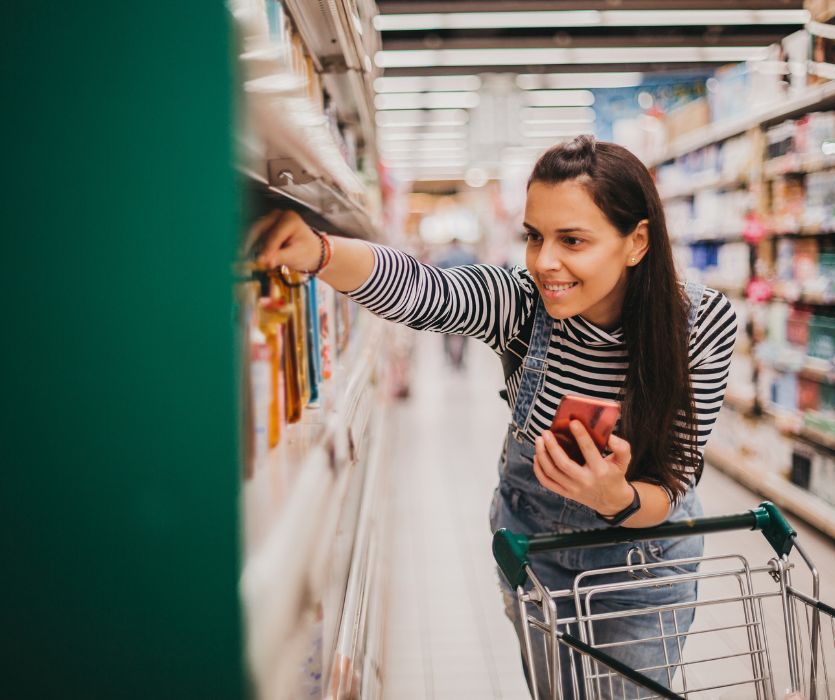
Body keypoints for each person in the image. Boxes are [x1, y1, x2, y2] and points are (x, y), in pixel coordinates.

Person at [250, 135, 737, 698]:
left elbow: (675, 475)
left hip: (642, 561)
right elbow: (421, 288)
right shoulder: (521, 302)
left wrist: (616, 499)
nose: (545, 262)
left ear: (636, 242)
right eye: (535, 236)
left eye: (572, 240)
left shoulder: (698, 321)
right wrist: (320, 252)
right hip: (535, 550)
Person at [435, 238, 479, 369]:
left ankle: (448, 356)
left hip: (447, 301)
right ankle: (462, 358)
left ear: (451, 244)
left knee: (445, 329)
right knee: (466, 329)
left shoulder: (443, 257)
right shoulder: (469, 256)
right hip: (466, 300)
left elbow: (436, 278)